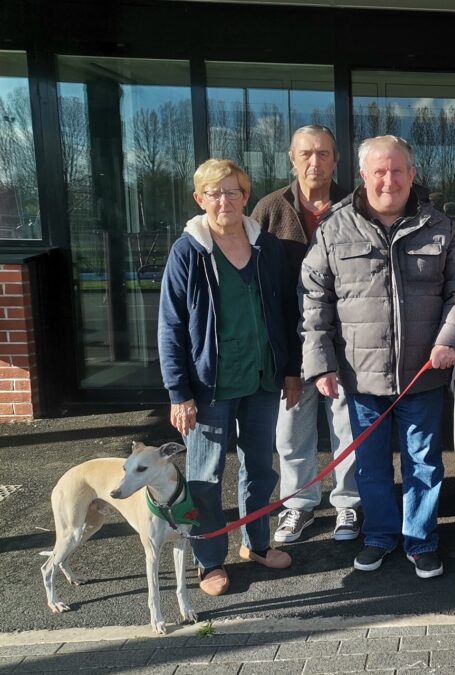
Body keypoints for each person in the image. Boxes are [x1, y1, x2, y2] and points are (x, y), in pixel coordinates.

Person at [300, 135, 455, 579]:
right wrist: (320, 361)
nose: (388, 179)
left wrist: (450, 340)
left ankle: (421, 540)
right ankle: (380, 535)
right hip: (361, 378)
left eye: (397, 170)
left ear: (412, 175)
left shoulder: (441, 227)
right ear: (363, 175)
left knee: (424, 463)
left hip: (424, 373)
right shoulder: (335, 228)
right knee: (371, 465)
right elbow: (313, 299)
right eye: (379, 170)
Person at [158, 159, 296, 597]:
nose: (224, 201)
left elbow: (286, 313)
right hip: (209, 387)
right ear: (200, 200)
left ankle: (256, 544)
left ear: (246, 197)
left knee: (260, 468)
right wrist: (179, 393)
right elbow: (170, 326)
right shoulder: (189, 251)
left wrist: (290, 371)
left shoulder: (267, 247)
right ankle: (209, 561)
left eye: (233, 192)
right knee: (206, 475)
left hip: (261, 381)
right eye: (214, 193)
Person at [250, 125, 360, 545]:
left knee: (345, 425)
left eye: (324, 154)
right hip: (290, 340)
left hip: (346, 337)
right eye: (307, 154)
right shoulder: (269, 209)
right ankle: (298, 505)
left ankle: (348, 501)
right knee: (291, 430)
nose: (316, 162)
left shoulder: (356, 206)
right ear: (292, 159)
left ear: (336, 160)